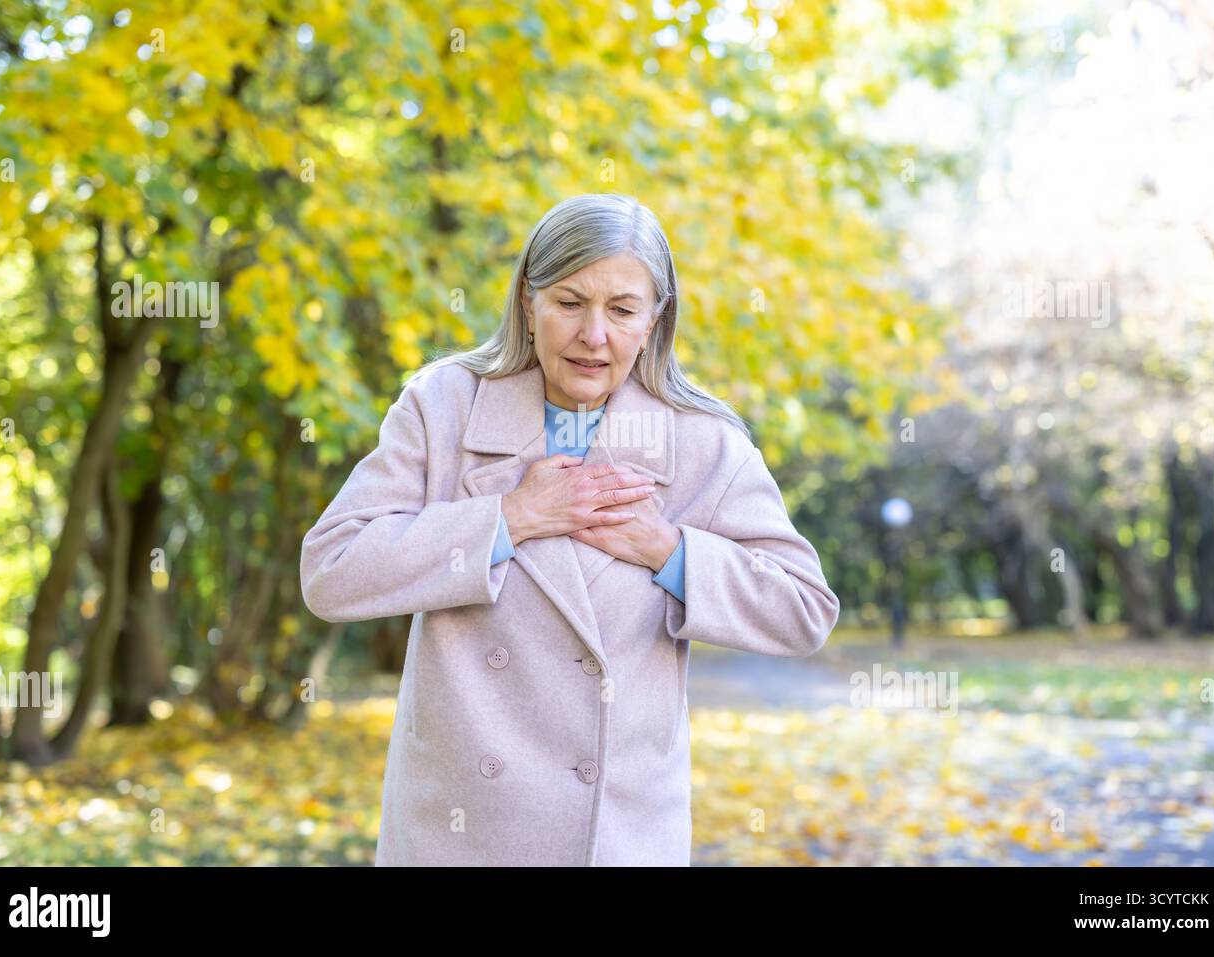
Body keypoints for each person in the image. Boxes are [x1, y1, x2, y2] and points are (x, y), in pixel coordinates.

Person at [299, 193, 840, 866]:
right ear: (528, 301)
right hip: (458, 837)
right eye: (569, 302)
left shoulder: (702, 442)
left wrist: (666, 549)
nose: (594, 335)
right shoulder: (445, 405)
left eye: (621, 309)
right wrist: (511, 518)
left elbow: (804, 609)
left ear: (654, 319)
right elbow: (331, 571)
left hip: (615, 840)